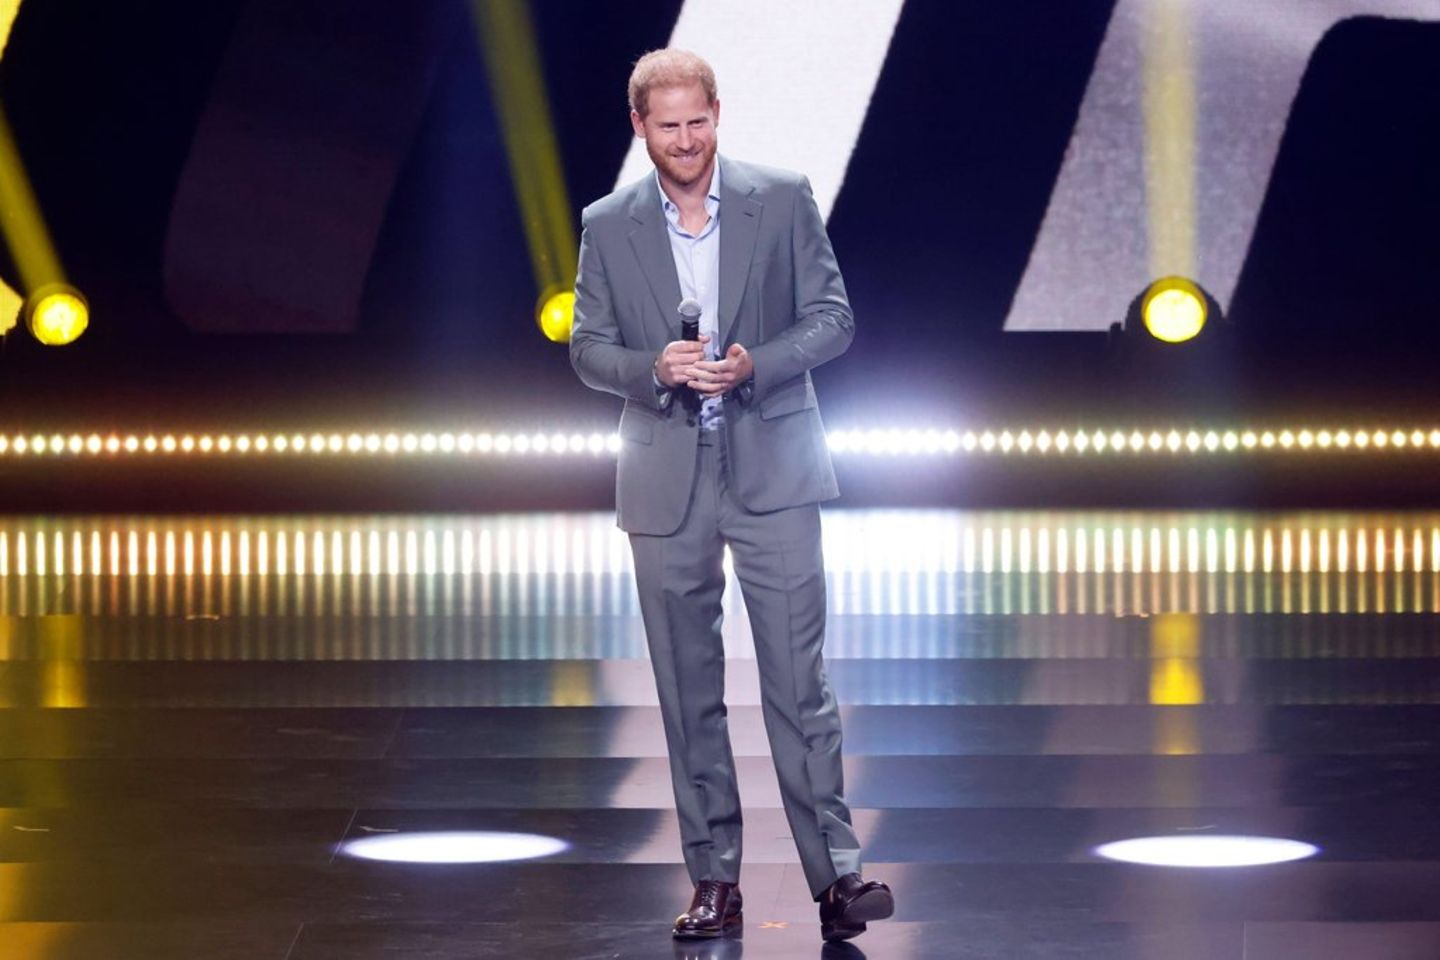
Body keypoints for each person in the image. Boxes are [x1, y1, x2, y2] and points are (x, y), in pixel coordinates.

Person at [569, 48, 893, 943]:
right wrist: (652, 367)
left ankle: (839, 879)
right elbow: (588, 348)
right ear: (640, 129)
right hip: (666, 471)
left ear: (719, 113)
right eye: (667, 127)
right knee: (687, 691)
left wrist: (757, 362)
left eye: (698, 122)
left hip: (774, 464)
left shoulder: (781, 196)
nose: (686, 141)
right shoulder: (608, 222)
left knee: (800, 685)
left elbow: (833, 317)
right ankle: (715, 880)